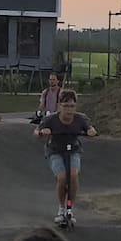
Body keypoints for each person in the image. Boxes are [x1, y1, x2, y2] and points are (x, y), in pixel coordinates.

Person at [35, 89, 96, 226]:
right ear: (59, 106)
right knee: (62, 177)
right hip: (55, 150)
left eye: (72, 106)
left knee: (73, 176)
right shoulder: (51, 119)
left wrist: (91, 131)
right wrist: (42, 132)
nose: (69, 110)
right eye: (66, 106)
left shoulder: (80, 118)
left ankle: (70, 208)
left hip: (73, 150)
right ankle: (61, 208)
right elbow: (37, 131)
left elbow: (89, 128)